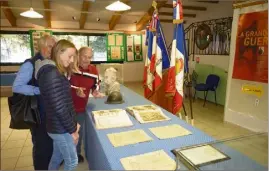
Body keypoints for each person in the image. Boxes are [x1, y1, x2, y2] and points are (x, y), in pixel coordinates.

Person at [34, 39, 80, 170]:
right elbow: (60, 108)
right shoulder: (52, 74)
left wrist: (74, 123)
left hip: (58, 126)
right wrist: (72, 130)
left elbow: (64, 102)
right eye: (70, 56)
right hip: (61, 128)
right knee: (72, 162)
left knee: (57, 158)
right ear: (59, 53)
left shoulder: (55, 72)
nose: (71, 60)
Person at [12, 35, 56, 170]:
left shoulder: (49, 62)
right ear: (43, 48)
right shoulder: (30, 64)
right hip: (37, 114)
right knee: (41, 147)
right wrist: (39, 90)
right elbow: (17, 87)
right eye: (51, 46)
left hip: (48, 113)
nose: (54, 49)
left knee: (49, 144)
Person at [69, 47, 104, 163]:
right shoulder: (70, 67)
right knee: (63, 132)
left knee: (78, 132)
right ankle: (62, 155)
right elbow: (62, 84)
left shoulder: (93, 70)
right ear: (78, 55)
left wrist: (95, 91)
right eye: (84, 56)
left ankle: (76, 154)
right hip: (66, 106)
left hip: (80, 108)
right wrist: (75, 90)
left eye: (89, 57)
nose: (87, 60)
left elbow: (96, 84)